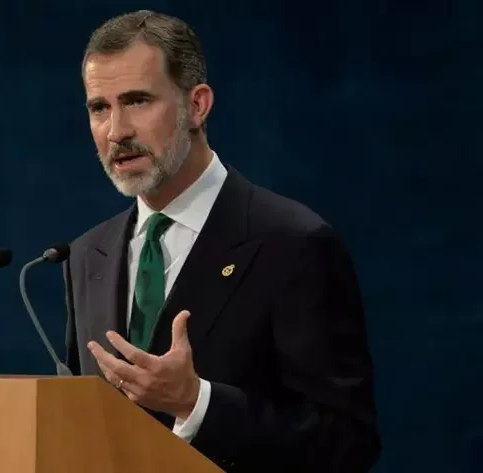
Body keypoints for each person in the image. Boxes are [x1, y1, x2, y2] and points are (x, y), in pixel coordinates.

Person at [62, 10, 381, 472]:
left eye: (137, 101)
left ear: (197, 105)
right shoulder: (87, 254)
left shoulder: (293, 243)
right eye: (99, 108)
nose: (117, 131)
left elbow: (347, 443)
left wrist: (197, 404)